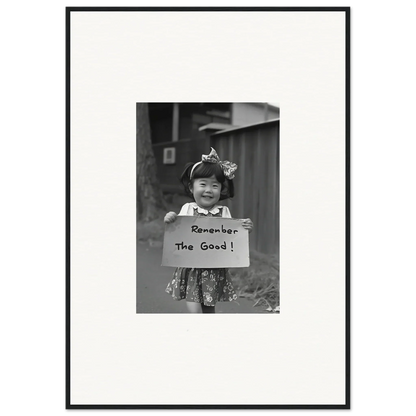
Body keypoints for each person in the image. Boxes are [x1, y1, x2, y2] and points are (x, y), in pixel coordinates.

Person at [164, 147, 253, 313]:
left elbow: (232, 237)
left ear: (221, 189)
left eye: (215, 185)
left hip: (214, 267)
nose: (208, 190)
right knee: (195, 306)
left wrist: (245, 229)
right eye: (203, 184)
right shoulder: (188, 208)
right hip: (191, 266)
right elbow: (177, 229)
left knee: (209, 307)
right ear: (191, 188)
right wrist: (170, 218)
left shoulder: (223, 212)